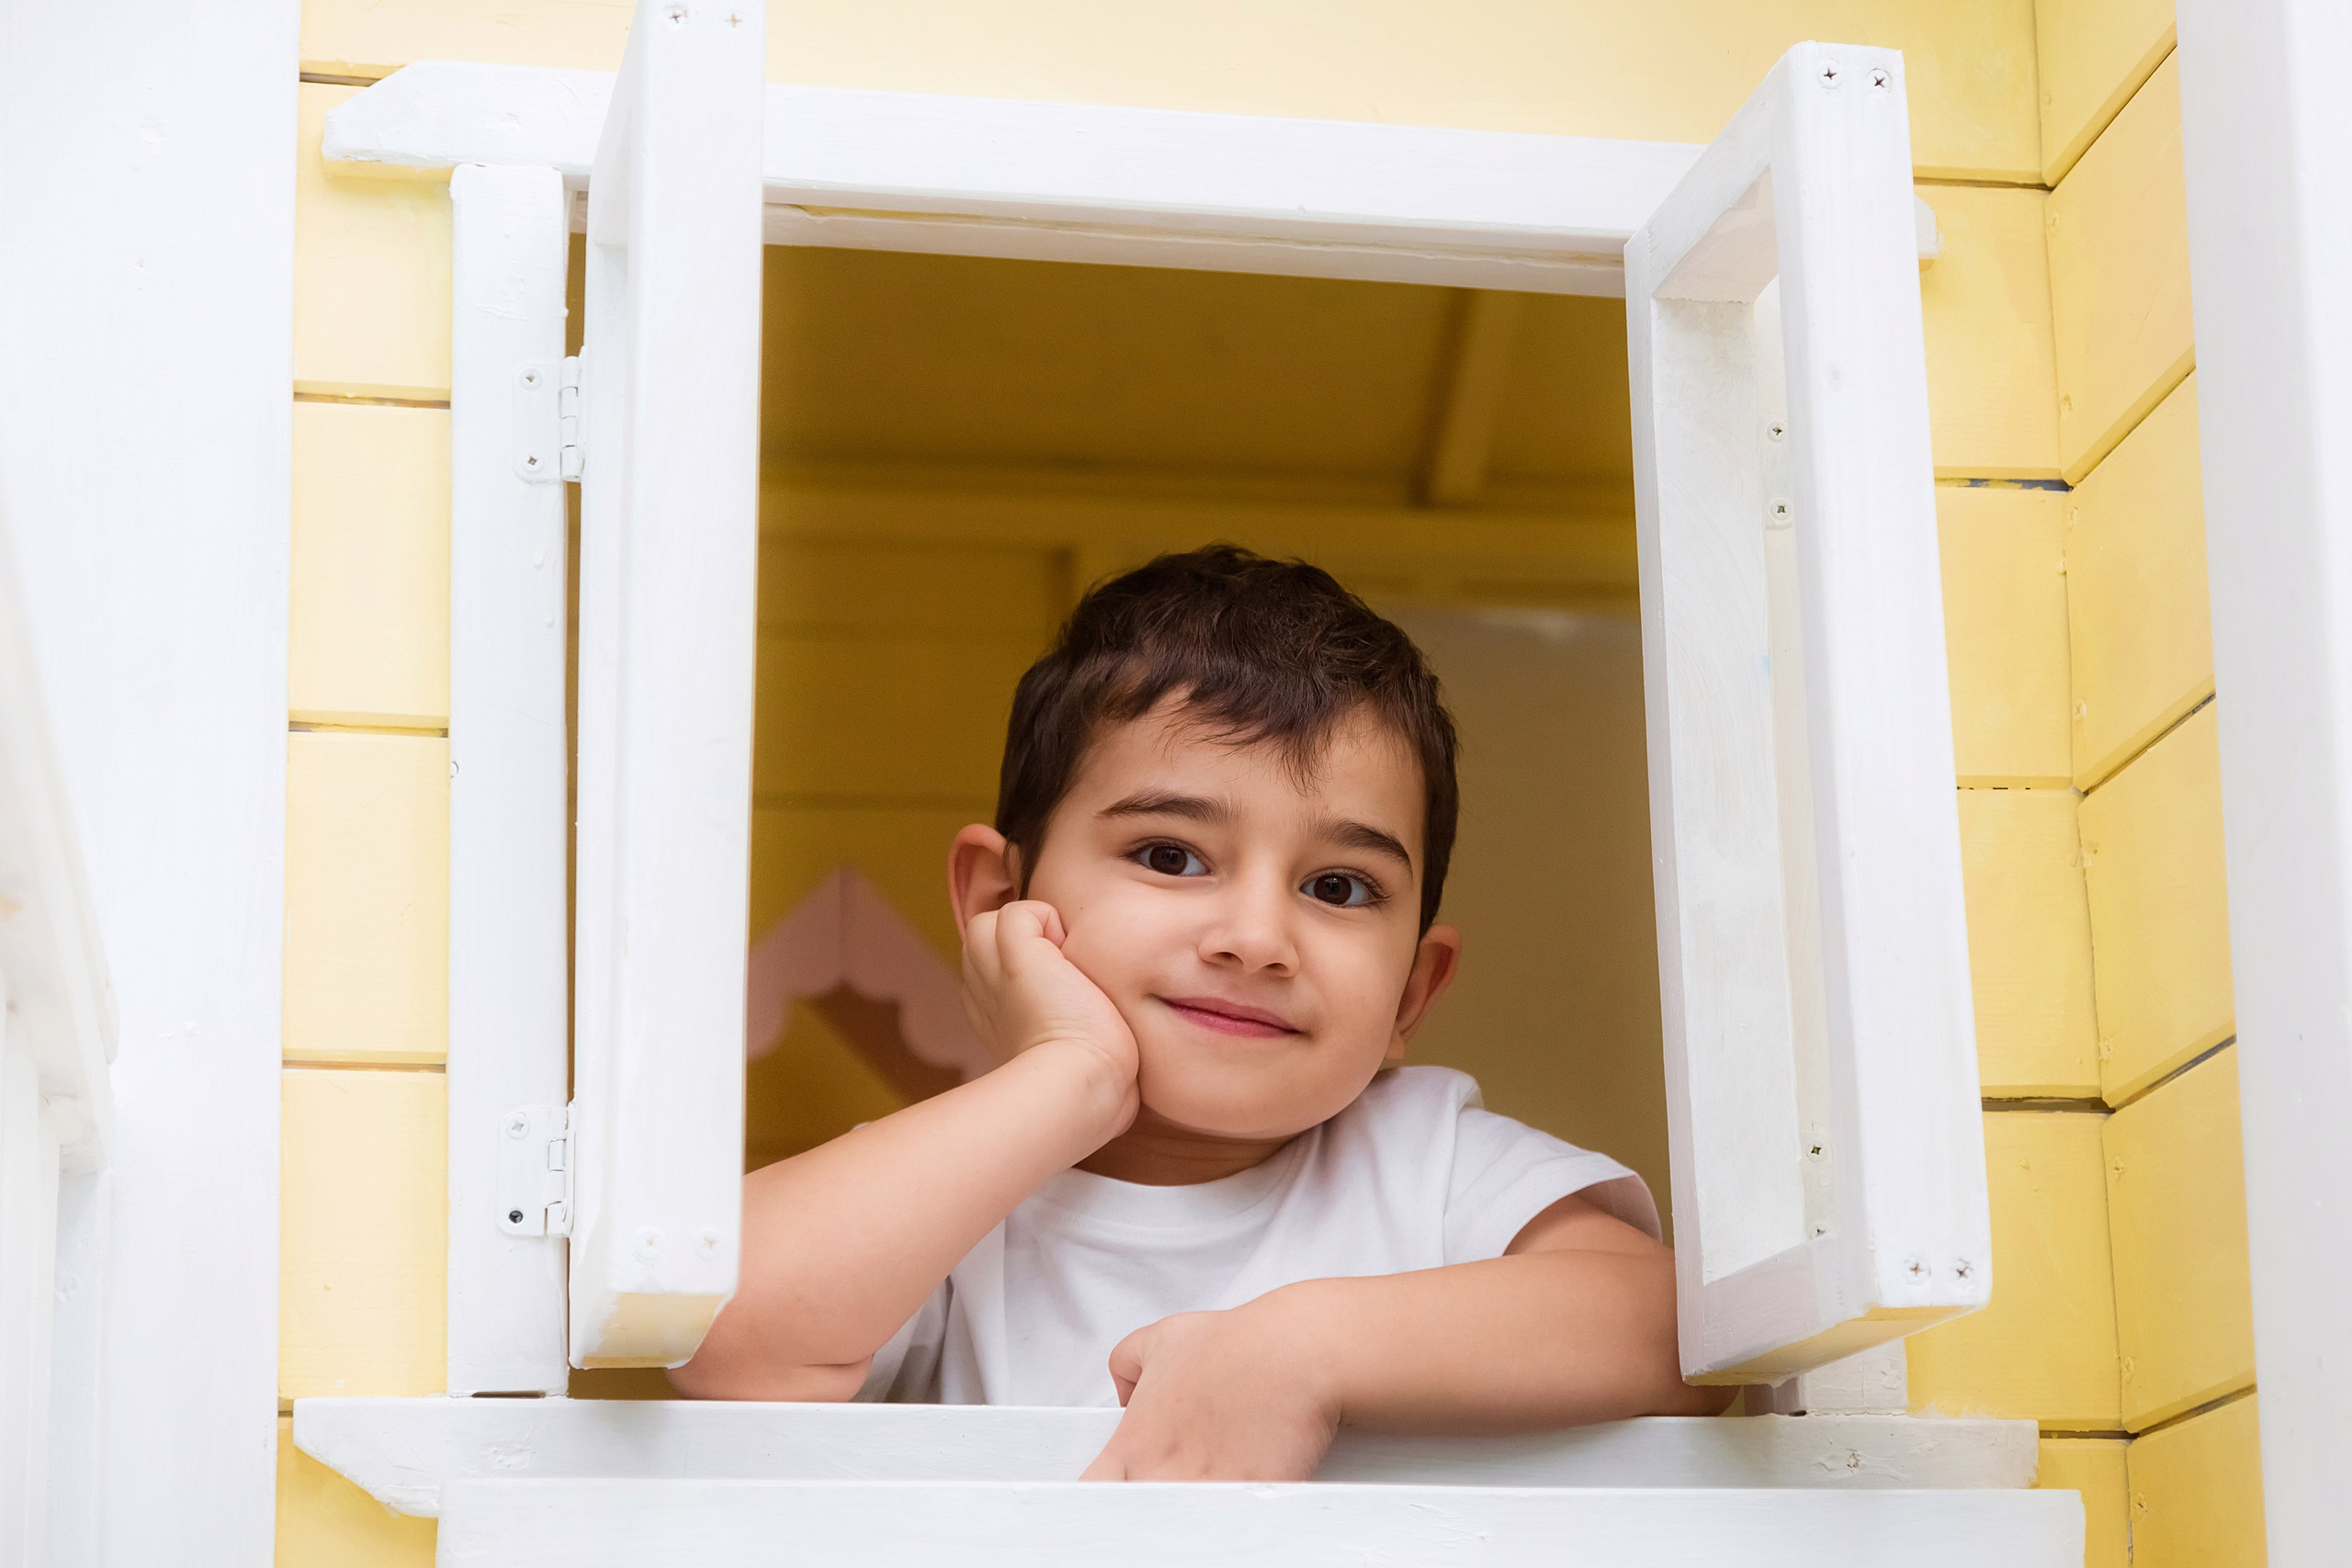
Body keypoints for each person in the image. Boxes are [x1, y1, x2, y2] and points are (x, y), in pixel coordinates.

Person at [673, 545, 1729, 1476]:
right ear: (1002, 902)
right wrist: (1070, 1073)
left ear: (1411, 992)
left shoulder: (1427, 1160)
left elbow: (1677, 1329)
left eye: (1337, 887)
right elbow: (718, 1330)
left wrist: (1299, 1352)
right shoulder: (953, 1192)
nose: (1257, 938)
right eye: (1170, 857)